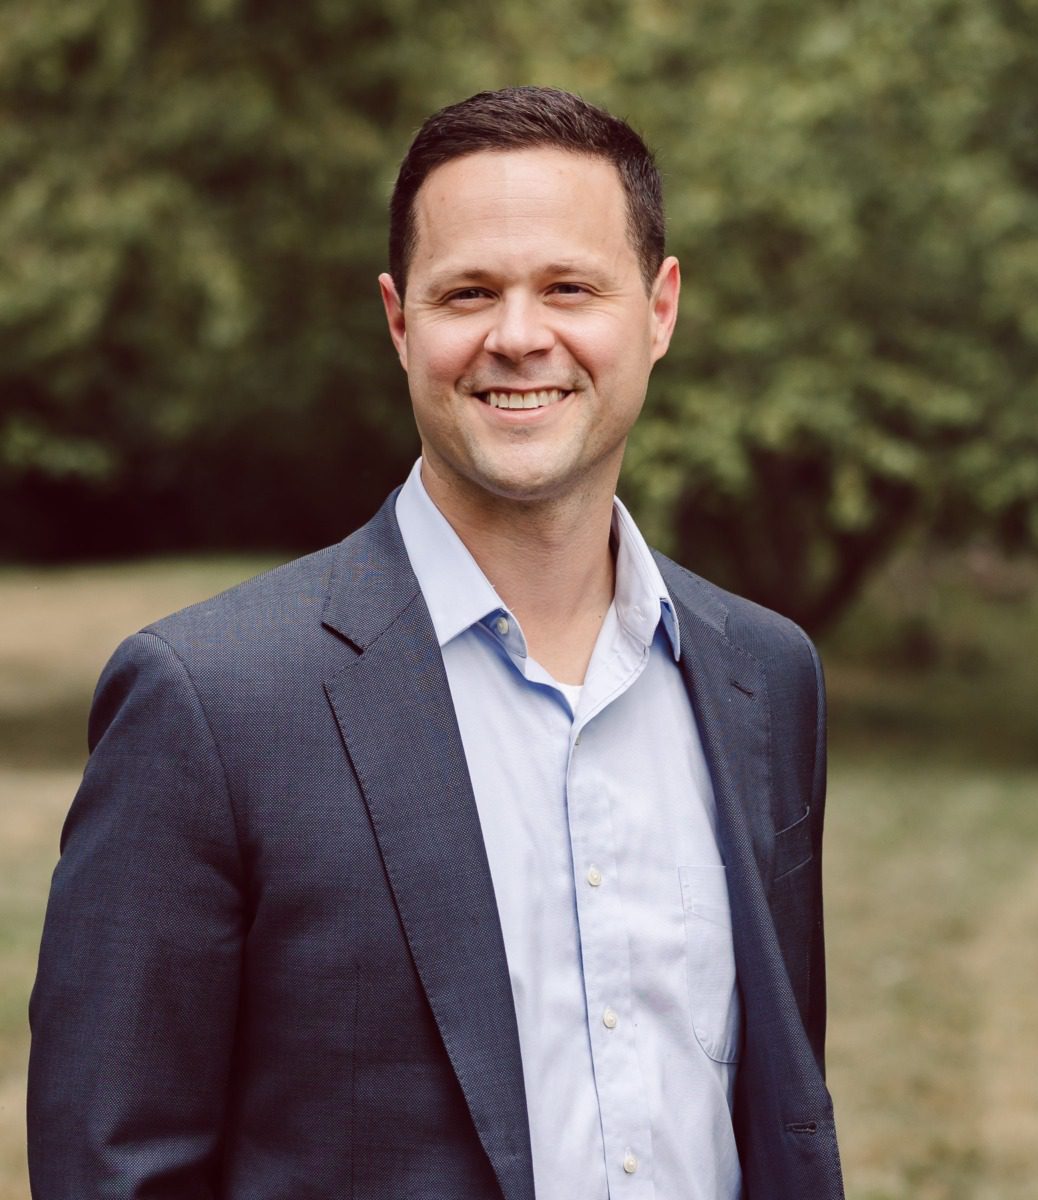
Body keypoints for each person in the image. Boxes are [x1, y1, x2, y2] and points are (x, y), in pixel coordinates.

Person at [28, 86, 844, 1200]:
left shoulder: (766, 677)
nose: (518, 337)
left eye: (568, 287)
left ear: (658, 310)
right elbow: (113, 1164)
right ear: (399, 321)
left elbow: (780, 1109)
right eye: (468, 292)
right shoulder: (211, 703)